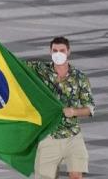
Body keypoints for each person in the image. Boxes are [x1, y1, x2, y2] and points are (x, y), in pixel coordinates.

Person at [26, 37, 95, 179]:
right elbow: (15, 66)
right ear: (50, 51)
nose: (58, 54)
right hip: (49, 136)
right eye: (55, 50)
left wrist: (74, 112)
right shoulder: (40, 69)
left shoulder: (79, 77)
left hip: (73, 136)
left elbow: (89, 108)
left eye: (62, 50)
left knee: (76, 176)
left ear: (68, 51)